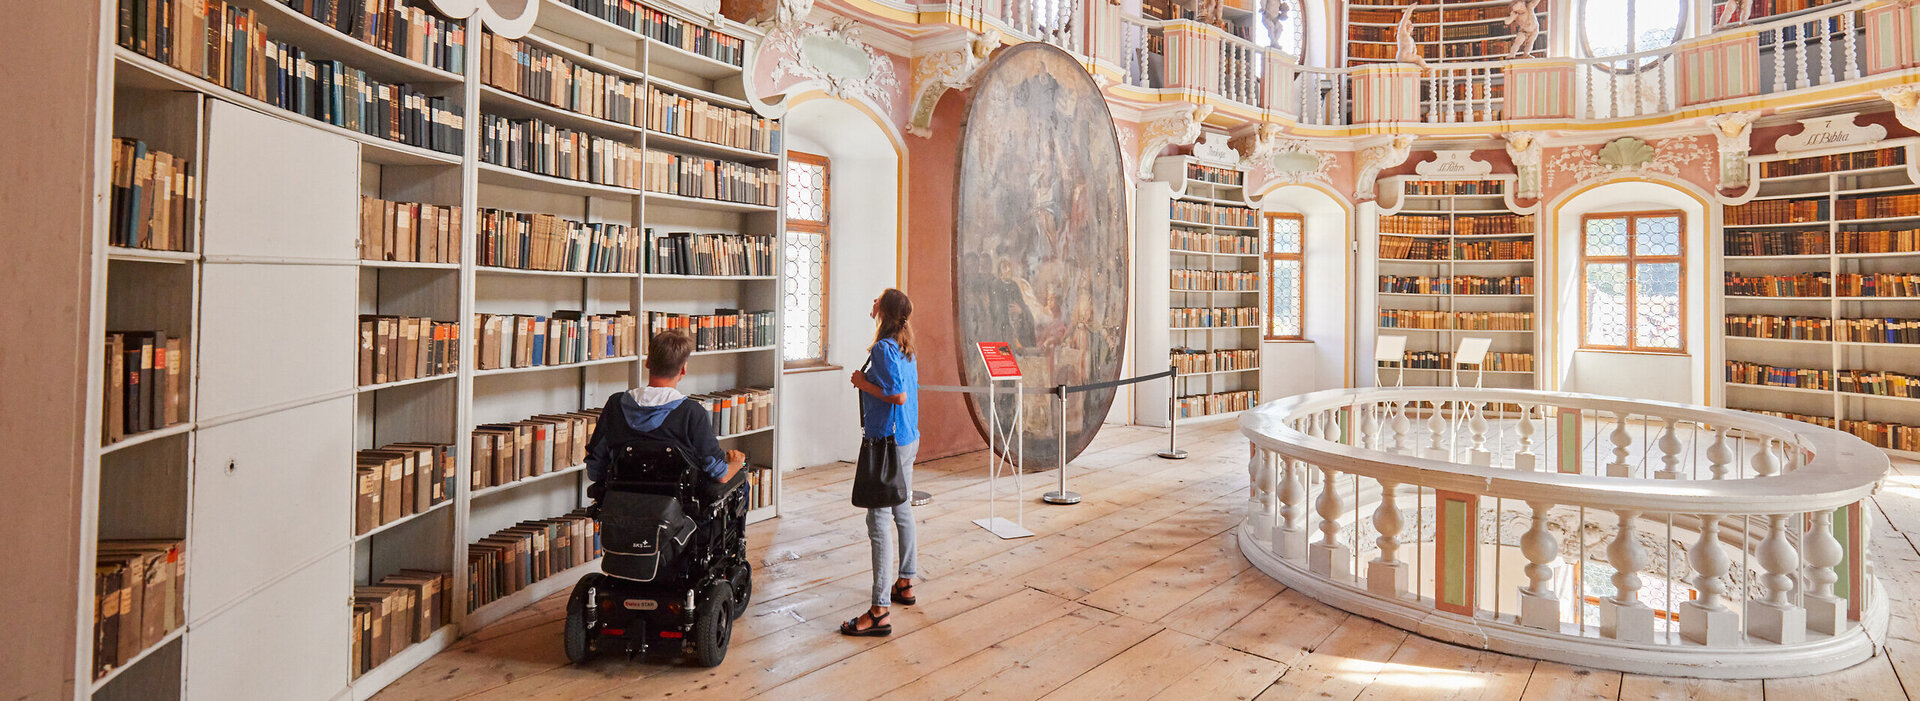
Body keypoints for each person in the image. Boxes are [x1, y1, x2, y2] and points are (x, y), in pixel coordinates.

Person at [840, 289, 922, 637]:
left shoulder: (884, 349)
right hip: (905, 438)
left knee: (877, 521)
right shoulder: (904, 347)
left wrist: (862, 383)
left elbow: (898, 395)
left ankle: (879, 611)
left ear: (884, 310)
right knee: (901, 511)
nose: (871, 301)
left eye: (877, 298)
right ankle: (904, 582)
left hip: (886, 444)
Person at [584, 329, 745, 496]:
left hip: (621, 501)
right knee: (740, 481)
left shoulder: (615, 404)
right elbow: (721, 475)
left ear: (647, 363)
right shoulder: (692, 412)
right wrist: (737, 463)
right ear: (683, 369)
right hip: (676, 508)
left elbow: (595, 470)